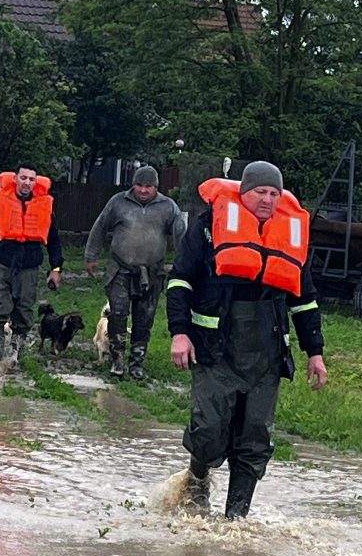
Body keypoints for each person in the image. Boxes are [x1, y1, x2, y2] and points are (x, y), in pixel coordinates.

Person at [167, 160, 327, 519]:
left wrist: (315, 352)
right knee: (208, 431)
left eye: (274, 193)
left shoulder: (291, 235)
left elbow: (305, 300)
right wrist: (180, 333)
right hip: (215, 350)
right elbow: (179, 281)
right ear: (243, 192)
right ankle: (197, 484)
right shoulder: (208, 227)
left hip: (266, 354)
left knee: (254, 438)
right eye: (260, 192)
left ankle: (236, 519)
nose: (267, 200)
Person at [85, 165, 185, 380]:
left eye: (148, 186)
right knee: (118, 313)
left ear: (156, 187)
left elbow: (180, 235)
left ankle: (137, 362)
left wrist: (185, 261)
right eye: (139, 185)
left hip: (152, 272)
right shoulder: (118, 202)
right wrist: (91, 256)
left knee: (144, 318)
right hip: (120, 268)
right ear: (133, 185)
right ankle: (117, 358)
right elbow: (100, 227)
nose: (143, 190)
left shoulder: (168, 207)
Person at [0, 164, 64, 362]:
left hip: (29, 266)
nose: (27, 183)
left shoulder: (44, 206)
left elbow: (54, 240)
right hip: (2, 262)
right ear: (15, 179)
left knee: (24, 312)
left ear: (35, 182)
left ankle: (15, 355)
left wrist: (56, 268)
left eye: (31, 179)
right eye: (23, 178)